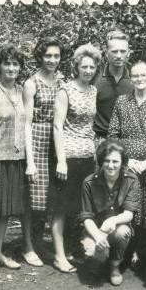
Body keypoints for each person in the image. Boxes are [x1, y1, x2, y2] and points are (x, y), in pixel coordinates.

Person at [108, 61, 146, 265]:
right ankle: (124, 251)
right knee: (127, 206)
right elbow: (113, 135)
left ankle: (142, 252)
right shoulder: (122, 101)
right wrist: (127, 160)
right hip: (127, 166)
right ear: (130, 78)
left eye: (144, 75)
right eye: (135, 75)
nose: (140, 79)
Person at [0, 44, 32, 279]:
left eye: (15, 64)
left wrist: (29, 160)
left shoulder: (22, 91)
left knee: (6, 211)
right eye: (7, 63)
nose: (12, 67)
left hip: (17, 159)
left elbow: (26, 126)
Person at [52, 43, 101, 273]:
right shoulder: (66, 90)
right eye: (84, 66)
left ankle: (72, 250)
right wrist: (61, 160)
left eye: (92, 67)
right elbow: (57, 126)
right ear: (76, 67)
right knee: (62, 207)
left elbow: (90, 125)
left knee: (79, 207)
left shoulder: (93, 90)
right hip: (68, 156)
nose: (88, 70)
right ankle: (59, 256)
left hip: (87, 156)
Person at [23, 36, 65, 267]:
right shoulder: (31, 83)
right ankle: (27, 245)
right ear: (40, 56)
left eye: (56, 56)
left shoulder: (61, 82)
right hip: (38, 141)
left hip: (57, 141)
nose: (52, 60)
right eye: (48, 55)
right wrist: (30, 160)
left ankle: (40, 244)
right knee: (33, 198)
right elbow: (26, 123)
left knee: (51, 197)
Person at [79, 139, 141, 286]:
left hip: (118, 228)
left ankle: (114, 266)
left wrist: (113, 220)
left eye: (115, 161)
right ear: (101, 161)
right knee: (92, 260)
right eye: (107, 161)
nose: (111, 165)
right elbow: (86, 217)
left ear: (122, 162)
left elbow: (129, 214)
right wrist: (97, 236)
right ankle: (100, 257)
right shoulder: (89, 183)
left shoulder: (131, 180)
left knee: (122, 232)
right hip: (94, 229)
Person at [93, 30, 133, 147]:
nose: (119, 56)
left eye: (123, 51)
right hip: (99, 141)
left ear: (128, 53)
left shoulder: (135, 81)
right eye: (114, 51)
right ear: (106, 53)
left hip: (126, 142)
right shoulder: (95, 79)